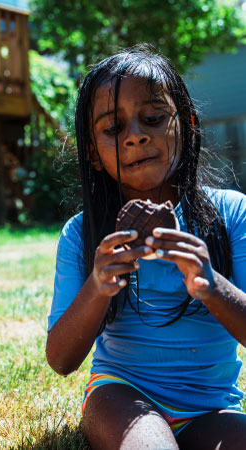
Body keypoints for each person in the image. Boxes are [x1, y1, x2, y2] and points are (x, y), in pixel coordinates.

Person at [46, 44, 246, 450]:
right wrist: (99, 286)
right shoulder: (82, 233)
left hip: (213, 406)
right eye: (113, 129)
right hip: (121, 394)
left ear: (186, 125)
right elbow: (61, 360)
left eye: (153, 118)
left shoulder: (230, 214)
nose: (136, 136)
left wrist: (210, 284)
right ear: (93, 153)